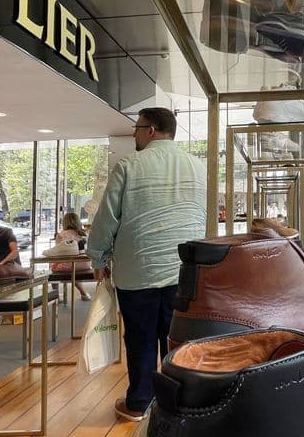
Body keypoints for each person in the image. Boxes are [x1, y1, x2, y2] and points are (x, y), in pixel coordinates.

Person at [87, 107, 206, 421]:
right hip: (184, 271)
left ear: (151, 130)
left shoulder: (129, 165)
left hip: (139, 271)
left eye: (137, 128)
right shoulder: (198, 166)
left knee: (140, 340)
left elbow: (107, 218)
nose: (135, 134)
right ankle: (178, 402)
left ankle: (139, 403)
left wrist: (98, 257)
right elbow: (202, 218)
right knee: (178, 340)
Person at [52, 212, 92, 301]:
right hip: (86, 264)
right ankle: (83, 293)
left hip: (70, 265)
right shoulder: (84, 234)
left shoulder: (61, 235)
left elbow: (57, 253)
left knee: (55, 266)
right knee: (72, 266)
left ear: (64, 222)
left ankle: (56, 295)